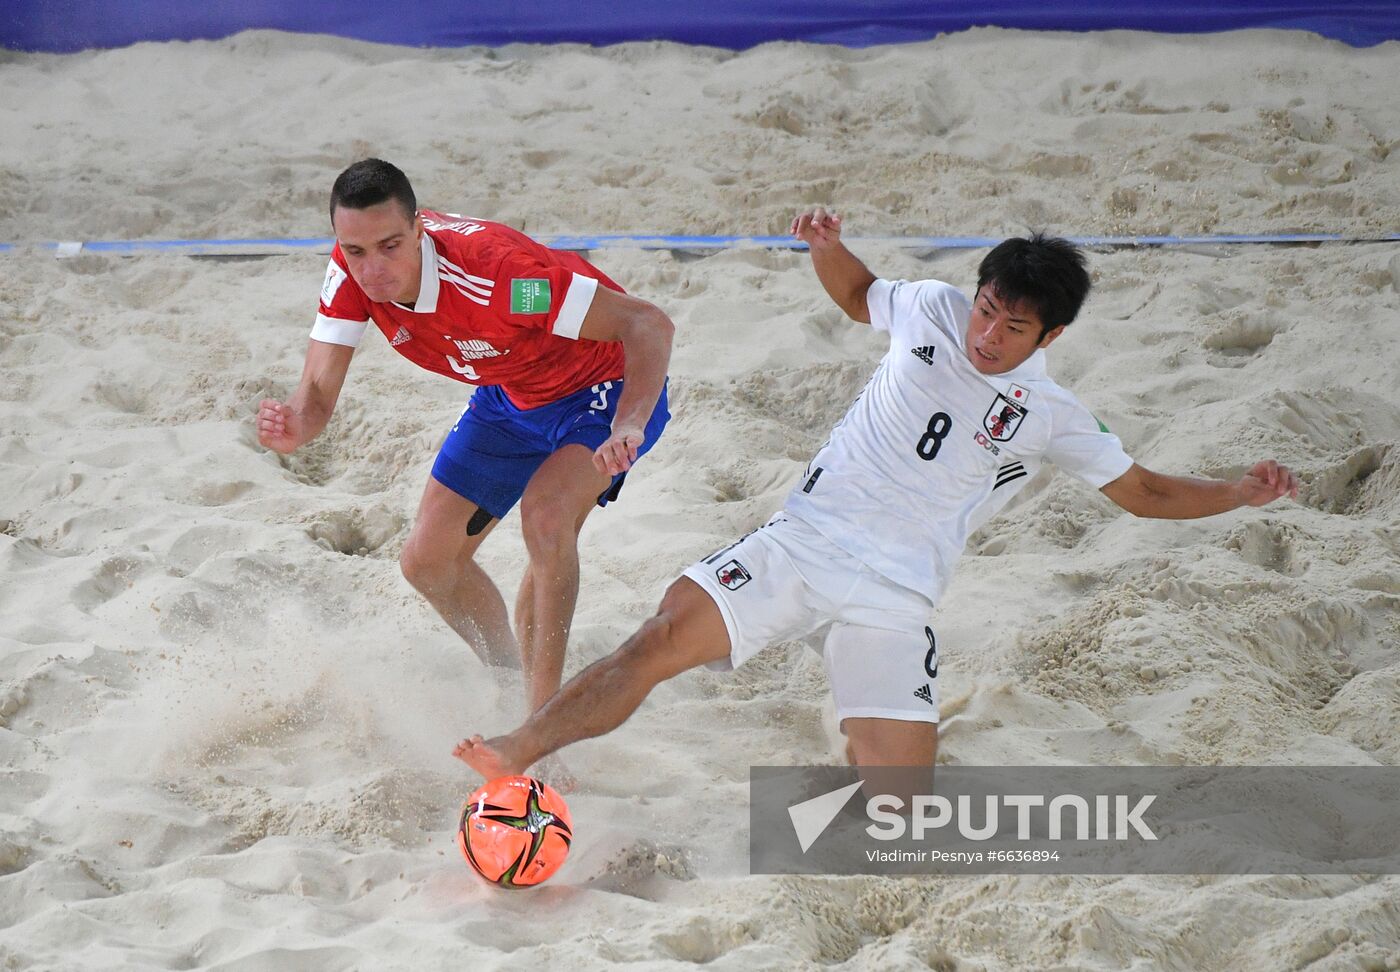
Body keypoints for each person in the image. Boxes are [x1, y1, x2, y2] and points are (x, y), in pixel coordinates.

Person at [452, 206, 1298, 777]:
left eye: (1012, 327)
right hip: (804, 542)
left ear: (1053, 335)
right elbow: (860, 295)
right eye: (986, 310)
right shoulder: (930, 308)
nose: (987, 335)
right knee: (655, 641)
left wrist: (1237, 492)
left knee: (898, 808)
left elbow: (1145, 492)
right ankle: (518, 749)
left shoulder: (1050, 412)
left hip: (895, 596)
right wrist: (824, 244)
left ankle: (853, 728)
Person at [256, 159, 674, 712]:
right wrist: (295, 425)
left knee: (547, 519)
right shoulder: (352, 274)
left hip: (600, 390)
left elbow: (647, 323)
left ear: (420, 229)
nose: (373, 270)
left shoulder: (504, 283)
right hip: (507, 394)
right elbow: (315, 395)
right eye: (355, 251)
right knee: (427, 562)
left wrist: (628, 421)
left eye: (390, 246)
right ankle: (510, 679)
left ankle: (542, 725)